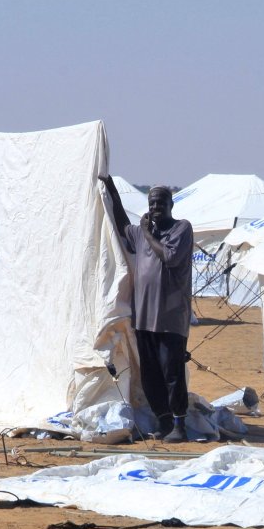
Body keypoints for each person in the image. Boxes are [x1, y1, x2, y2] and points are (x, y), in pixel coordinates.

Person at [101, 177, 194, 443]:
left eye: (160, 203)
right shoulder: (140, 234)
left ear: (171, 204)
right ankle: (164, 421)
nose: (155, 207)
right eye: (152, 203)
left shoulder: (181, 229)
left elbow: (169, 257)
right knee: (151, 374)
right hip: (144, 318)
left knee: (172, 373)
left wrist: (148, 232)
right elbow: (121, 225)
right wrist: (112, 190)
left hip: (170, 318)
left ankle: (180, 425)